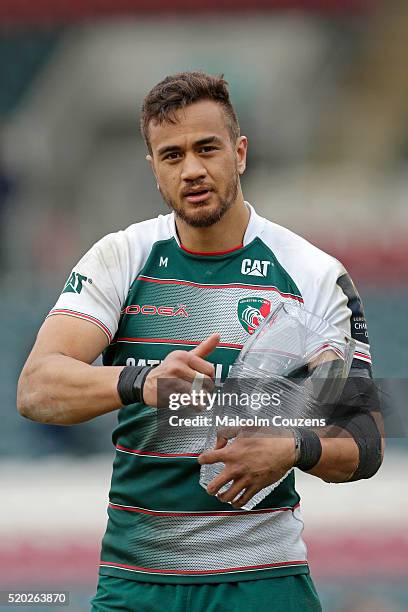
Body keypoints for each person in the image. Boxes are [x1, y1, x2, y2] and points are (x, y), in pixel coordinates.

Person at [17, 71, 384, 611]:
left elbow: (366, 443)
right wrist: (140, 381)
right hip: (136, 582)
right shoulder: (121, 257)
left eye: (206, 149)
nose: (192, 170)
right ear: (154, 170)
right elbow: (35, 388)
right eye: (172, 156)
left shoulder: (313, 275)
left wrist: (291, 449)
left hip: (263, 582)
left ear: (239, 153)